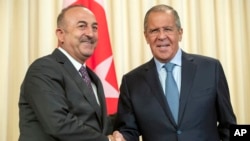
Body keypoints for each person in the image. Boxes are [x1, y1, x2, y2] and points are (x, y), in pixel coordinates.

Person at [113, 4, 236, 141]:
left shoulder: (210, 69)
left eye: (168, 29)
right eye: (154, 31)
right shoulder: (131, 82)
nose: (161, 36)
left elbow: (229, 126)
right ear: (146, 36)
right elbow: (128, 130)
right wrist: (121, 137)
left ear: (180, 33)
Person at [18, 5, 115, 141]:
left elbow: (97, 125)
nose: (91, 34)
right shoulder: (43, 69)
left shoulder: (93, 78)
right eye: (82, 26)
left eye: (95, 28)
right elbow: (59, 124)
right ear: (61, 34)